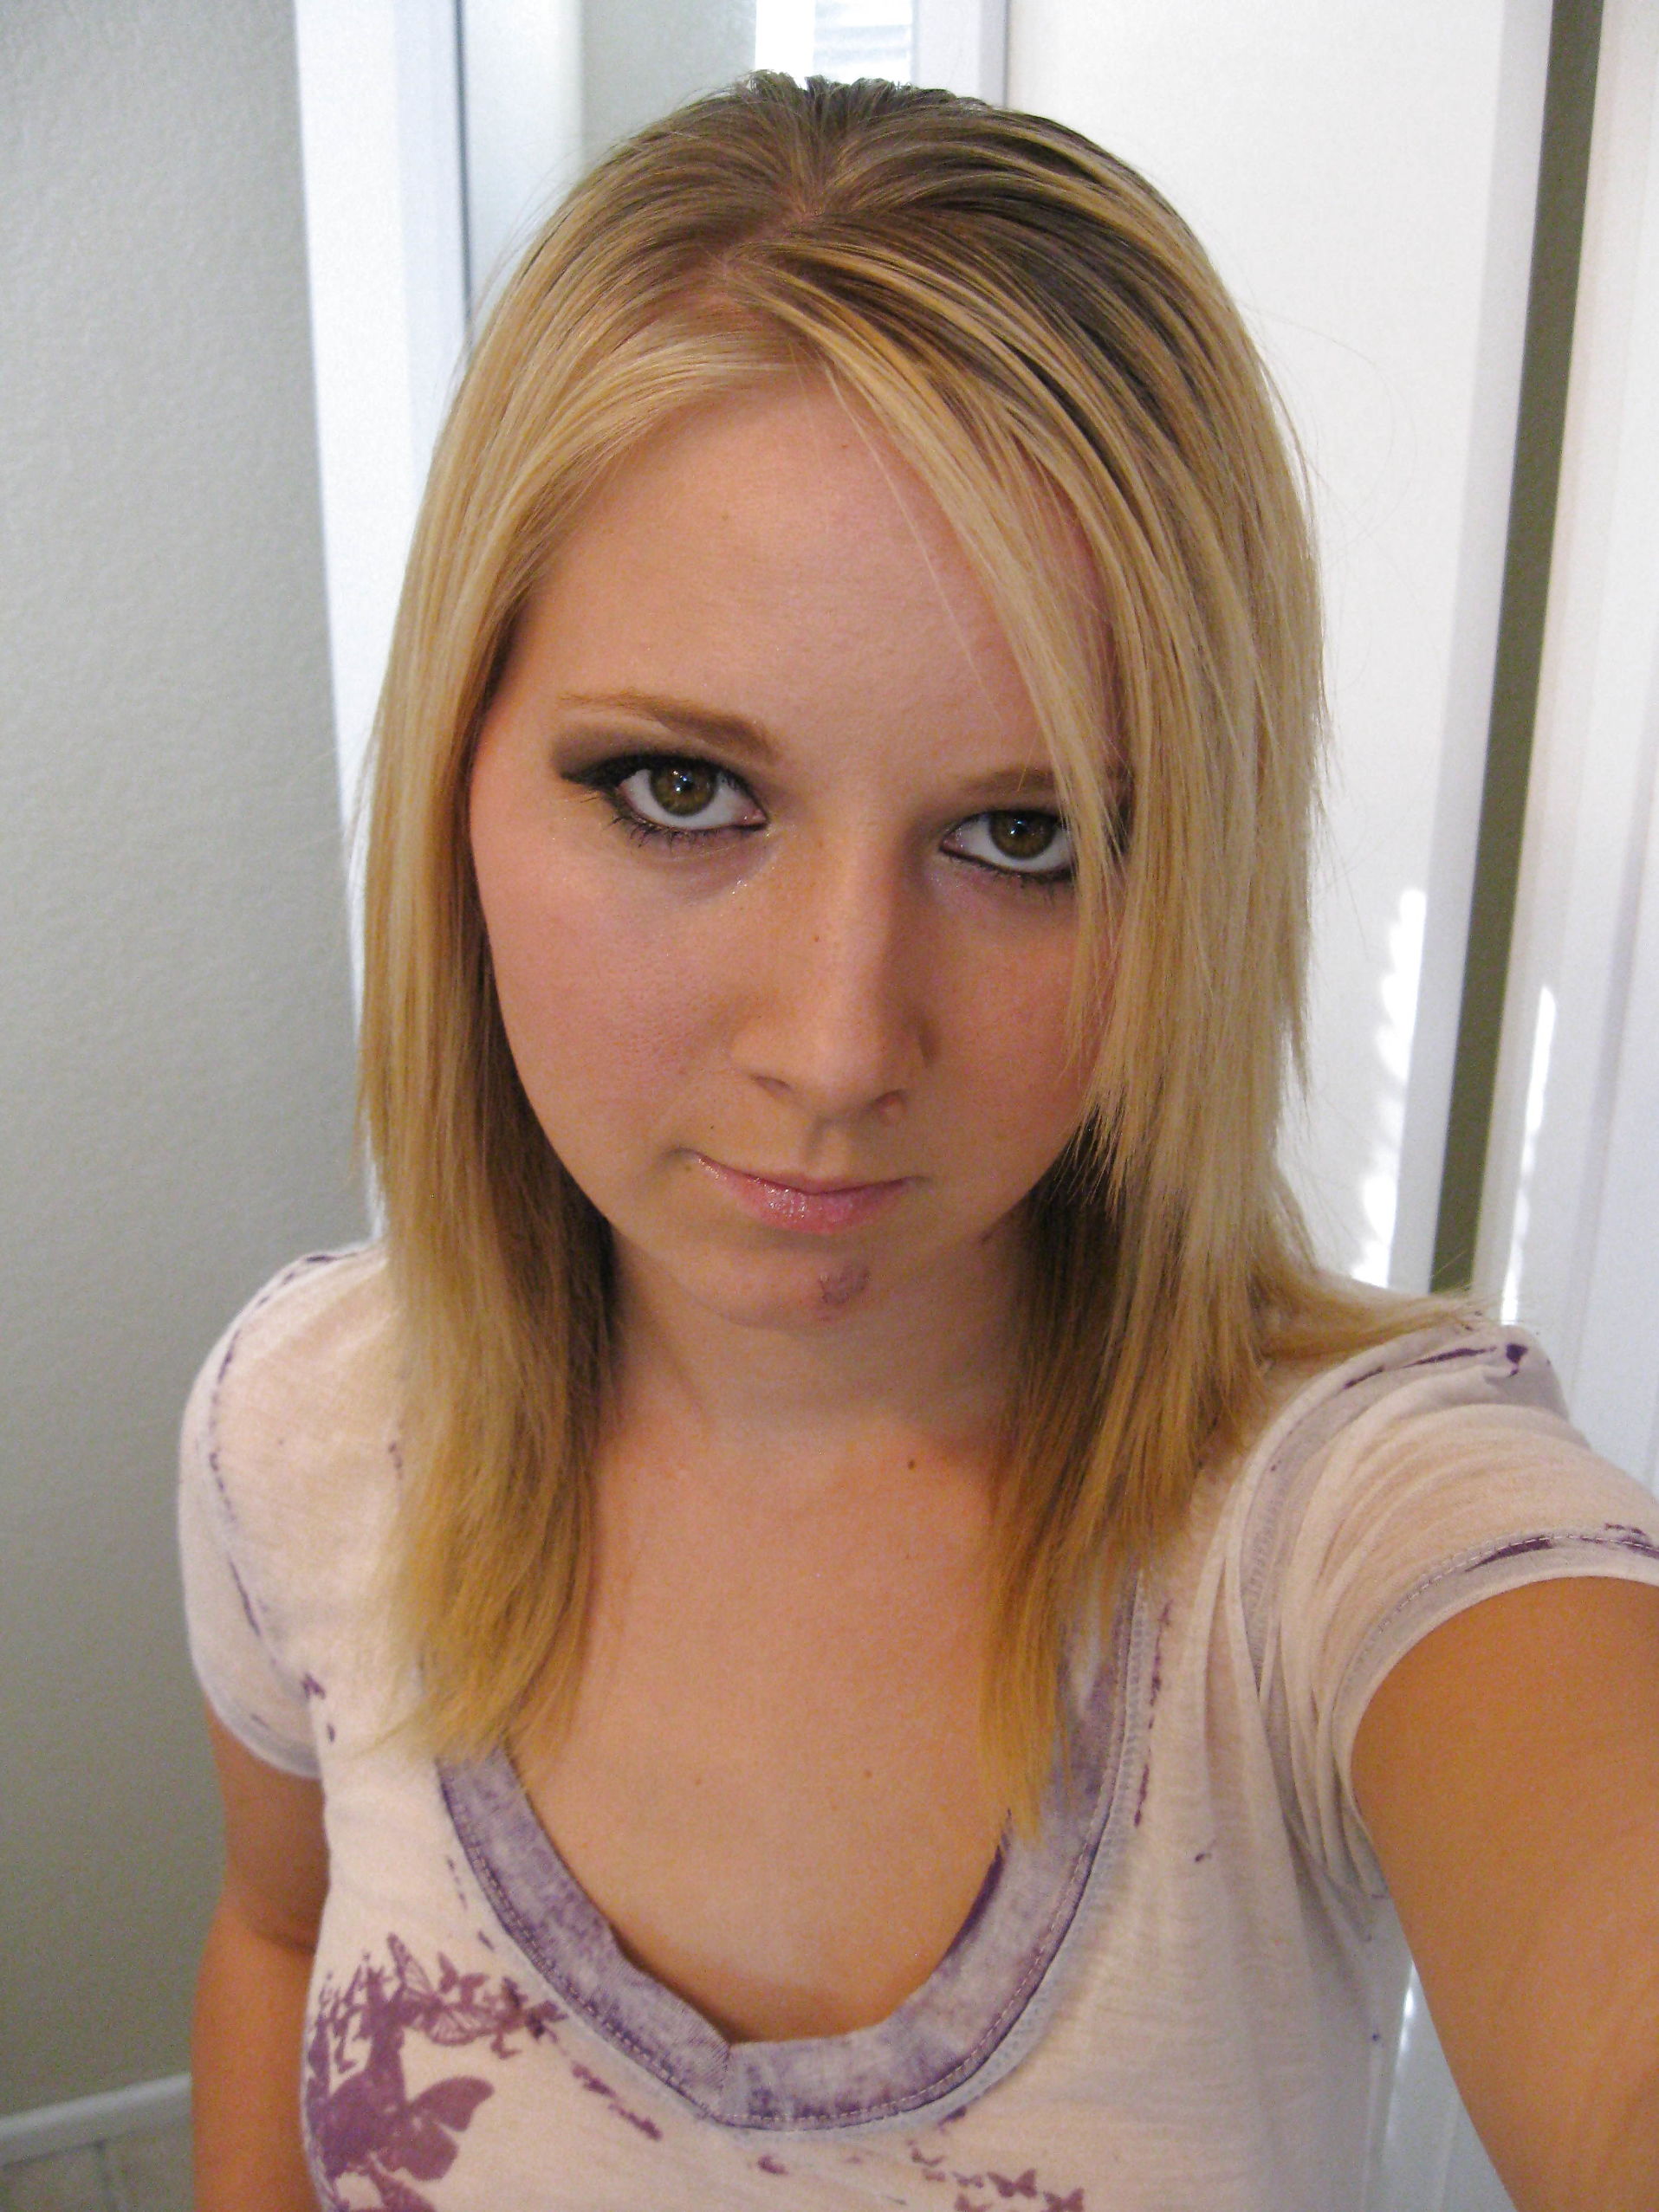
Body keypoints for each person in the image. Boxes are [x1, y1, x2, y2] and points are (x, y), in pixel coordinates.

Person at [179, 74, 1659, 2212]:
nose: (839, 1043)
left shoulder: (1339, 1534)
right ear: (456, 771)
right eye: (684, 789)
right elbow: (278, 1927)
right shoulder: (301, 1432)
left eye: (1025, 834)